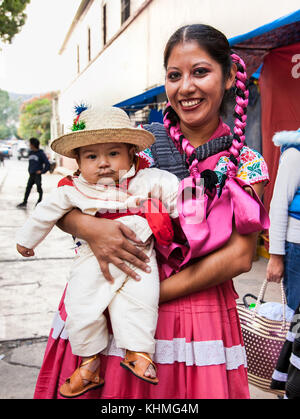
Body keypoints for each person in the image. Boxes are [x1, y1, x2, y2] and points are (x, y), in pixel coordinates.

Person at [34, 24, 270, 399]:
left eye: (200, 71)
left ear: (228, 78)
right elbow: (67, 197)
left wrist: (143, 295)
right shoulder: (132, 147)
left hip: (189, 312)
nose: (186, 87)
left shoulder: (246, 163)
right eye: (174, 75)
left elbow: (241, 258)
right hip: (105, 305)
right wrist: (92, 230)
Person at [16, 105, 181, 397]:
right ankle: (90, 363)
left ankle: (139, 352)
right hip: (92, 262)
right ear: (78, 160)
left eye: (113, 154)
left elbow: (171, 188)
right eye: (92, 156)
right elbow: (46, 212)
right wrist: (27, 241)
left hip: (139, 259)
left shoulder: (146, 179)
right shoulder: (73, 189)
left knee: (142, 302)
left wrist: (176, 211)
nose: (103, 163)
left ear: (131, 153)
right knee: (82, 307)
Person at [266, 128, 300, 311]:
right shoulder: (295, 154)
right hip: (297, 247)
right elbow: (279, 205)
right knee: (297, 315)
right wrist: (276, 256)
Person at [16, 137, 50, 208]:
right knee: (28, 188)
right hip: (31, 174)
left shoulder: (41, 153)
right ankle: (24, 202)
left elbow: (47, 164)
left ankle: (39, 202)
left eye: (30, 144)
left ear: (33, 144)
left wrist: (42, 171)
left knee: (39, 188)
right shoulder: (30, 152)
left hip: (37, 175)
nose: (29, 145)